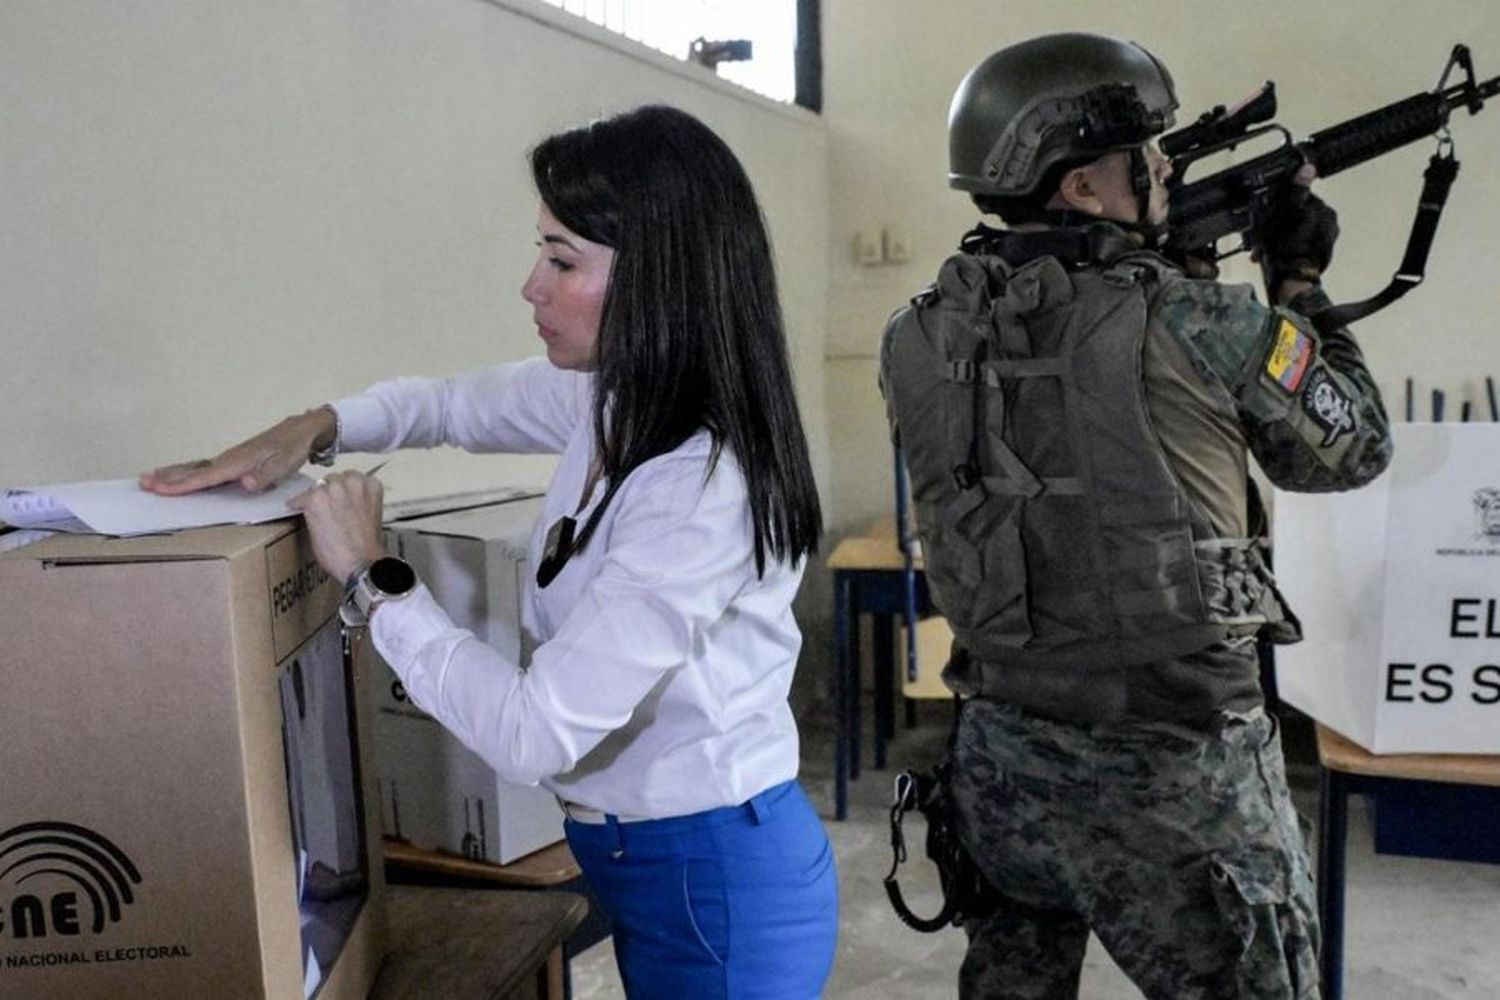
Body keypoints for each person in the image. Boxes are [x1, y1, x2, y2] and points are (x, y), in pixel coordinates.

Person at [142, 104, 838, 999]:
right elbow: (447, 405)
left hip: (714, 880)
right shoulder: (620, 399)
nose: (530, 287)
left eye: (562, 260)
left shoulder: (700, 486)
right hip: (646, 855)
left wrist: (373, 577)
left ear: (661, 280)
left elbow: (536, 731)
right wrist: (312, 426)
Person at [880, 33, 1392, 1000]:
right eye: (1145, 155)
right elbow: (1352, 448)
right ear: (1080, 187)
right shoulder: (1202, 319)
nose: (1164, 168)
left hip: (999, 756)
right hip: (1177, 782)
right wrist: (1299, 283)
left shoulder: (914, 331)